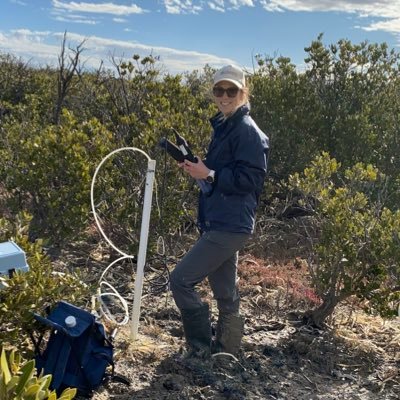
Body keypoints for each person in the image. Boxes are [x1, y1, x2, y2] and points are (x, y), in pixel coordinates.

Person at [170, 64, 269, 357]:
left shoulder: (247, 131)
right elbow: (220, 174)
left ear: (243, 92)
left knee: (180, 281)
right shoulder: (226, 126)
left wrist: (209, 173)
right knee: (225, 294)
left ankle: (199, 350)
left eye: (231, 90)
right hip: (222, 220)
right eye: (219, 90)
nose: (224, 96)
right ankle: (226, 352)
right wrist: (200, 170)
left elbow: (252, 180)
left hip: (229, 225)